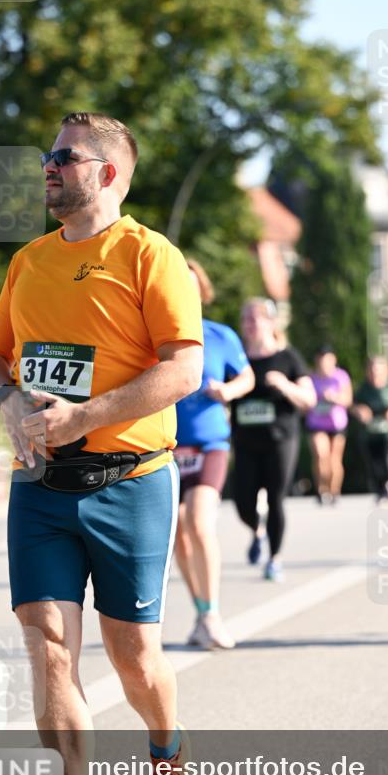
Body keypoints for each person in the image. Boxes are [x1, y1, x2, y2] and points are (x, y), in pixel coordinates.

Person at [0, 113, 204, 775]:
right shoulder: (29, 261)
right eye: (46, 156)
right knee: (48, 649)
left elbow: (182, 370)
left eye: (61, 157)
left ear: (105, 173)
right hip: (40, 487)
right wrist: (7, 400)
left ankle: (166, 752)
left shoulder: (148, 256)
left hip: (130, 482)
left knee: (134, 659)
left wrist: (84, 418)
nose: (46, 166)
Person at [173, 258, 254, 649]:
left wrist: (230, 392)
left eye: (191, 285)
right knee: (177, 538)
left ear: (202, 291)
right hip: (168, 447)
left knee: (197, 522)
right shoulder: (156, 337)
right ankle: (201, 610)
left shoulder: (220, 336)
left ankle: (213, 614)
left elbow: (247, 376)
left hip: (210, 444)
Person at [231, 298, 316, 583]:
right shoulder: (237, 358)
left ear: (270, 322)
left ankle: (274, 559)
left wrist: (285, 385)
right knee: (242, 502)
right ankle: (258, 531)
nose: (250, 325)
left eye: (256, 319)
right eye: (246, 320)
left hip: (281, 439)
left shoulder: (288, 357)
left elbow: (309, 399)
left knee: (276, 498)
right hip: (244, 441)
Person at [352, 356, 388, 503]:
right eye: (372, 368)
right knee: (374, 464)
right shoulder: (363, 389)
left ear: (385, 370)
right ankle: (380, 490)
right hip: (369, 433)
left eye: (378, 368)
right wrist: (359, 410)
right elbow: (353, 405)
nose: (375, 372)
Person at [305, 346, 352, 505]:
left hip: (337, 423)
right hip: (316, 423)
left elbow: (348, 400)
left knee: (334, 459)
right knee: (320, 455)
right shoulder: (311, 378)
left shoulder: (341, 377)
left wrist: (334, 398)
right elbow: (305, 401)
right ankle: (321, 489)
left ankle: (334, 491)